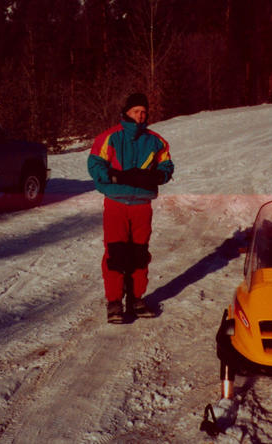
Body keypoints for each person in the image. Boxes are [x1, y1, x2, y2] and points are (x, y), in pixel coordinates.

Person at [87, 93, 174, 323]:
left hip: (142, 206)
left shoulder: (156, 140)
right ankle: (114, 301)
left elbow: (167, 165)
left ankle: (136, 298)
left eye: (144, 111)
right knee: (115, 252)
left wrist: (157, 175)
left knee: (139, 253)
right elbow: (94, 164)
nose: (141, 115)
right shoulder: (110, 137)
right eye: (136, 111)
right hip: (116, 204)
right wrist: (114, 177)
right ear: (127, 112)